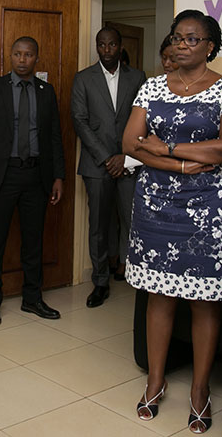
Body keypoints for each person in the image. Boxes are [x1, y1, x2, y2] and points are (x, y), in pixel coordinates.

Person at [122, 10, 222, 433]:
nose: (181, 45)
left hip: (211, 206)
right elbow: (130, 143)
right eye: (177, 38)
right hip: (157, 204)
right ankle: (155, 382)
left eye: (192, 39)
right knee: (159, 296)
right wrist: (180, 165)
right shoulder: (151, 86)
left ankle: (199, 391)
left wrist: (168, 147)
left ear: (210, 45)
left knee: (204, 299)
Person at [0, 36, 65, 326]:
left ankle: (32, 298)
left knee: (33, 240)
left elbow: (54, 137)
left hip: (37, 176)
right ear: (10, 56)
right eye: (17, 54)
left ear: (37, 58)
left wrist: (58, 176)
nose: (22, 60)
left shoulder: (46, 91)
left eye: (28, 55)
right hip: (3, 176)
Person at [71, 26, 145, 307]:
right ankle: (100, 280)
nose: (106, 50)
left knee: (132, 219)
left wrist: (125, 156)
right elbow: (80, 121)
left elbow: (144, 119)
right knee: (99, 225)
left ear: (120, 46)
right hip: (96, 164)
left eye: (112, 45)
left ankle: (133, 270)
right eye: (101, 45)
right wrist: (106, 157)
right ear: (97, 46)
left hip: (129, 162)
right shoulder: (83, 79)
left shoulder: (137, 77)